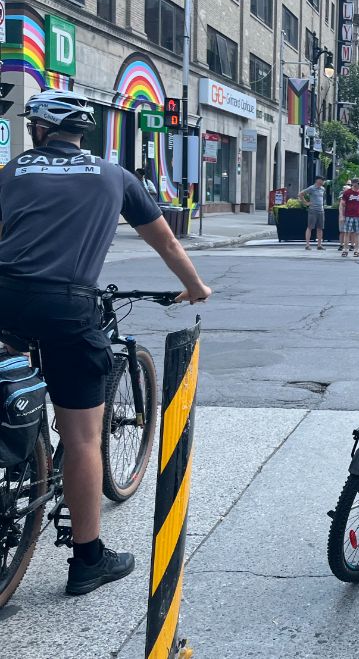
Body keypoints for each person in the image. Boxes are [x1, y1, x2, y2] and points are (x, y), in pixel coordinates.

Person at [0, 89, 211, 596]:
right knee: (82, 438)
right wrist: (196, 286)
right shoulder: (114, 176)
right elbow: (165, 241)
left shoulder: (10, 174)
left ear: (40, 131)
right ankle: (88, 560)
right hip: (67, 307)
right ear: (82, 133)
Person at [339, 179, 359, 257]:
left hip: (358, 216)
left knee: (357, 233)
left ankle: (356, 250)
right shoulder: (347, 193)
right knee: (347, 233)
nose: (358, 185)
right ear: (353, 184)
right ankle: (345, 249)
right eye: (357, 184)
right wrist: (342, 215)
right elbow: (342, 205)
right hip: (348, 215)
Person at [300, 176, 328, 250]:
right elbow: (301, 194)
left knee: (320, 227)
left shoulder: (323, 189)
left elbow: (323, 198)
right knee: (310, 227)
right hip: (313, 210)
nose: (323, 182)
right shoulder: (311, 188)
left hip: (321, 210)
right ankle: (307, 244)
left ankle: (319, 245)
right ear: (318, 180)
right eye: (322, 180)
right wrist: (306, 203)